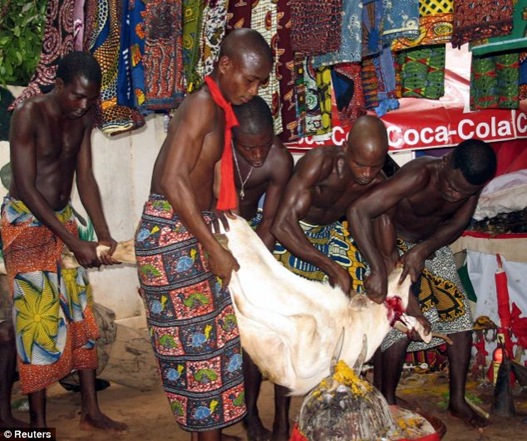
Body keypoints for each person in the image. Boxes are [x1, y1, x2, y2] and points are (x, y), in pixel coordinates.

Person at [134, 28, 273, 441]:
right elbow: (172, 179)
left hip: (185, 228)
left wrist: (215, 232)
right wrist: (212, 246)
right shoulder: (201, 106)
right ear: (224, 65)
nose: (253, 90)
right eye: (249, 79)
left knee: (211, 343)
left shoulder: (218, 109)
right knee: (198, 352)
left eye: (260, 83)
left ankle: (206, 433)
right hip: (172, 233)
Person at [1, 51, 128, 433]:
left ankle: (90, 410)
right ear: (58, 86)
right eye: (76, 96)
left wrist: (102, 233)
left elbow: (84, 175)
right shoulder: (28, 115)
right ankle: (38, 424)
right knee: (37, 323)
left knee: (79, 315)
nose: (84, 105)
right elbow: (23, 186)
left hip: (64, 223)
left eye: (90, 98)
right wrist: (73, 241)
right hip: (25, 222)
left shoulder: (84, 116)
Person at [347, 139, 497, 427]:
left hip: (428, 245)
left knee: (459, 317)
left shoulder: (468, 186)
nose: (455, 196)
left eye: (464, 192)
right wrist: (382, 267)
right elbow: (360, 211)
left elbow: (456, 225)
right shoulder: (419, 174)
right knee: (398, 320)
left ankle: (457, 401)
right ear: (447, 161)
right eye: (452, 187)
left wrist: (422, 250)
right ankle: (387, 399)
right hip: (388, 245)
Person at [231, 96, 294, 441]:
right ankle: (247, 413)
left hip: (256, 237)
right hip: (212, 232)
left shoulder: (280, 160)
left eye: (263, 146)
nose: (257, 156)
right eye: (247, 148)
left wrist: (253, 269)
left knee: (264, 329)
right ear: (231, 138)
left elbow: (270, 222)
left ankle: (263, 414)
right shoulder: (216, 154)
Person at [271, 115, 390, 296]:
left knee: (356, 288)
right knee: (285, 291)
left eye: (375, 166)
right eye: (359, 164)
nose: (367, 174)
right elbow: (281, 225)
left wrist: (379, 271)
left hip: (330, 231)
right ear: (346, 147)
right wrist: (331, 267)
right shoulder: (320, 162)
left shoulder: (378, 183)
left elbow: (380, 238)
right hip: (294, 230)